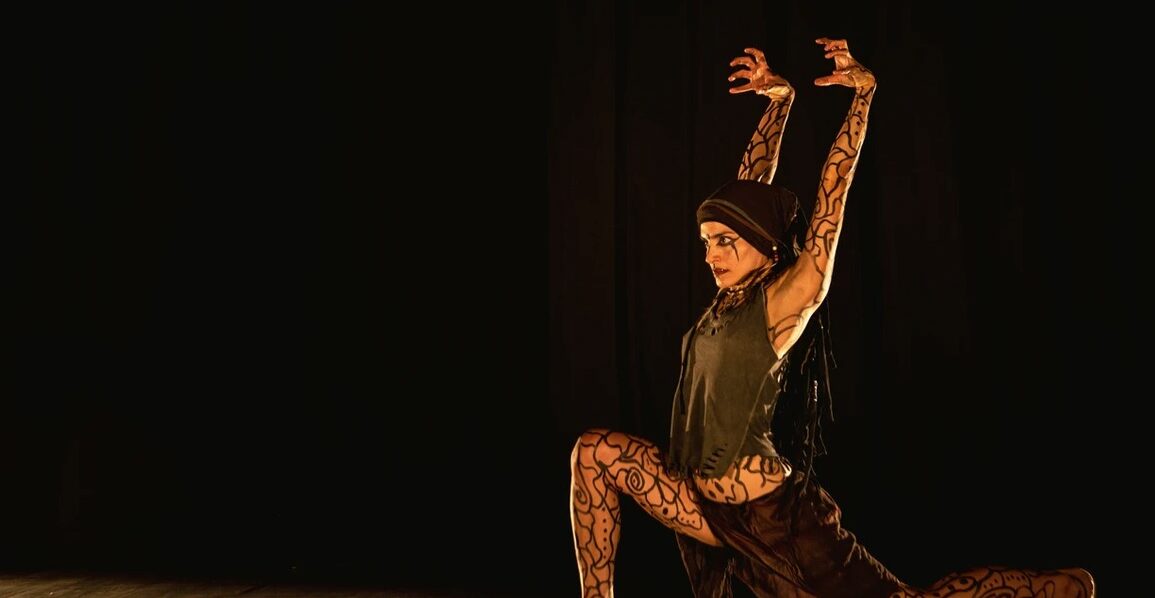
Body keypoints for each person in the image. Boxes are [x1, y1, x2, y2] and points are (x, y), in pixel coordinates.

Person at [568, 38, 1095, 598]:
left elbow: (831, 197)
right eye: (706, 242)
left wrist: (862, 96)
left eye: (724, 241)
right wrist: (780, 102)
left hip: (778, 521)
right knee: (594, 453)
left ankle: (1058, 588)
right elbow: (750, 187)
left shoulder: (786, 298)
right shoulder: (730, 296)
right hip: (702, 503)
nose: (711, 255)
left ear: (765, 244)